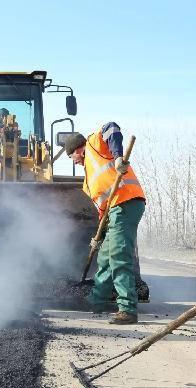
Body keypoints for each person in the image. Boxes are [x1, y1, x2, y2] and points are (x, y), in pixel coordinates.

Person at [65, 123, 146, 324]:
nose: (73, 162)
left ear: (77, 150)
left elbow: (112, 128)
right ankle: (97, 300)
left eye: (71, 157)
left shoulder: (94, 144)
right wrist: (98, 238)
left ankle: (127, 309)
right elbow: (103, 211)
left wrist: (118, 157)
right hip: (114, 212)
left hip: (127, 203)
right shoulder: (87, 181)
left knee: (118, 256)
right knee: (104, 257)